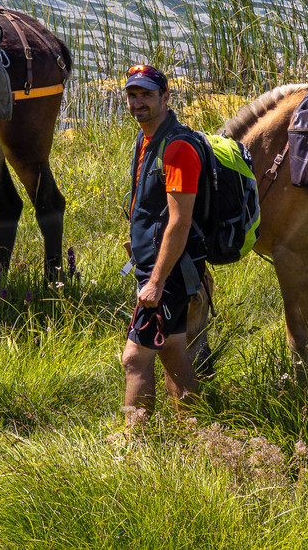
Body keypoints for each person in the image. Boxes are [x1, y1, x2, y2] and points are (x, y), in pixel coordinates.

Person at [119, 63, 209, 426]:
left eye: (147, 95)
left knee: (135, 358)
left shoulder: (177, 148)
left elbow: (180, 220)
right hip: (155, 264)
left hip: (169, 270)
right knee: (172, 349)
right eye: (133, 95)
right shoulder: (146, 138)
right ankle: (195, 431)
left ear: (166, 97)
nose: (138, 102)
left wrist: (155, 281)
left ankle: (132, 438)